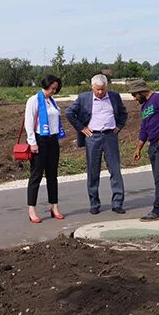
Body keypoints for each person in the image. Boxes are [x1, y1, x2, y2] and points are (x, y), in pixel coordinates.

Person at [65, 74, 128, 214]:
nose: (100, 92)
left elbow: (123, 113)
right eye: (97, 89)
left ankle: (117, 202)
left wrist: (118, 127)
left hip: (110, 136)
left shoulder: (114, 96)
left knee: (115, 169)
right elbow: (69, 112)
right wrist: (82, 128)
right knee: (93, 171)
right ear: (92, 87)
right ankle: (94, 204)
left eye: (103, 89)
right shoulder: (83, 98)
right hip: (93, 138)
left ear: (107, 87)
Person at [129, 79, 159, 222]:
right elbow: (143, 129)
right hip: (153, 145)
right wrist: (138, 148)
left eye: (135, 95)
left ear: (141, 92)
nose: (134, 98)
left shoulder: (158, 98)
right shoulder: (144, 107)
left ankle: (157, 209)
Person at [24, 74, 66, 223]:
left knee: (52, 175)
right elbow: (29, 122)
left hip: (53, 140)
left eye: (56, 88)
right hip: (39, 140)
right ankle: (31, 209)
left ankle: (54, 206)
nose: (54, 90)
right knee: (36, 175)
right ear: (46, 85)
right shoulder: (34, 100)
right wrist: (32, 142)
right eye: (52, 88)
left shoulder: (52, 101)